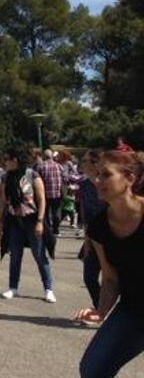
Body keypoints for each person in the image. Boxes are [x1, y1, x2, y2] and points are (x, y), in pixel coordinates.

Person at [76, 151, 144, 377]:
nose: (98, 181)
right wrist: (101, 310)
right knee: (93, 369)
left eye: (106, 175)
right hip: (132, 310)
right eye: (97, 175)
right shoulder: (99, 225)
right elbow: (110, 278)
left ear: (130, 179)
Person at [0, 148, 55, 303]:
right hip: (14, 221)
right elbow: (3, 200)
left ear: (15, 160)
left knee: (39, 255)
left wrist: (40, 221)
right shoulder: (5, 177)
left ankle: (48, 289)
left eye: (7, 159)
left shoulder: (32, 175)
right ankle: (13, 287)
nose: (5, 162)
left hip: (32, 219)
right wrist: (0, 219)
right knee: (15, 255)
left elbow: (42, 199)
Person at [77, 151, 107, 309]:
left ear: (95, 164)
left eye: (85, 160)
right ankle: (101, 307)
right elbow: (85, 214)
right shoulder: (85, 184)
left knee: (116, 279)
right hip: (93, 236)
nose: (82, 163)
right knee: (89, 277)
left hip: (111, 237)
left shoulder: (108, 183)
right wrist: (87, 239)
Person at [36, 149, 65, 237]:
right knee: (56, 212)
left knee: (45, 212)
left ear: (44, 156)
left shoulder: (40, 167)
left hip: (45, 193)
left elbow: (38, 180)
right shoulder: (59, 166)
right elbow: (65, 178)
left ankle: (48, 229)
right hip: (57, 193)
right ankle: (56, 230)